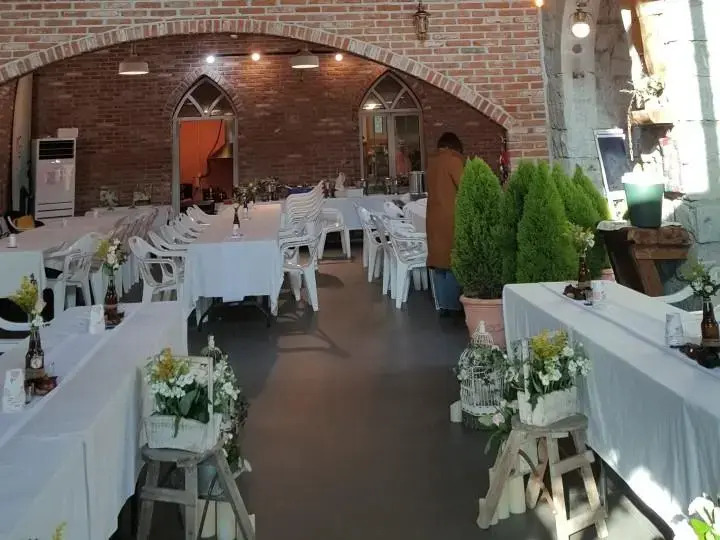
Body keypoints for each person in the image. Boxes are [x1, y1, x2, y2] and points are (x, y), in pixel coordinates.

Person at [425, 132, 465, 314]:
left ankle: (442, 304)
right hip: (451, 218)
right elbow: (465, 187)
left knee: (438, 263)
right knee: (451, 261)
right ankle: (453, 305)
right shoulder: (453, 161)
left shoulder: (432, 162)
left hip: (433, 218)